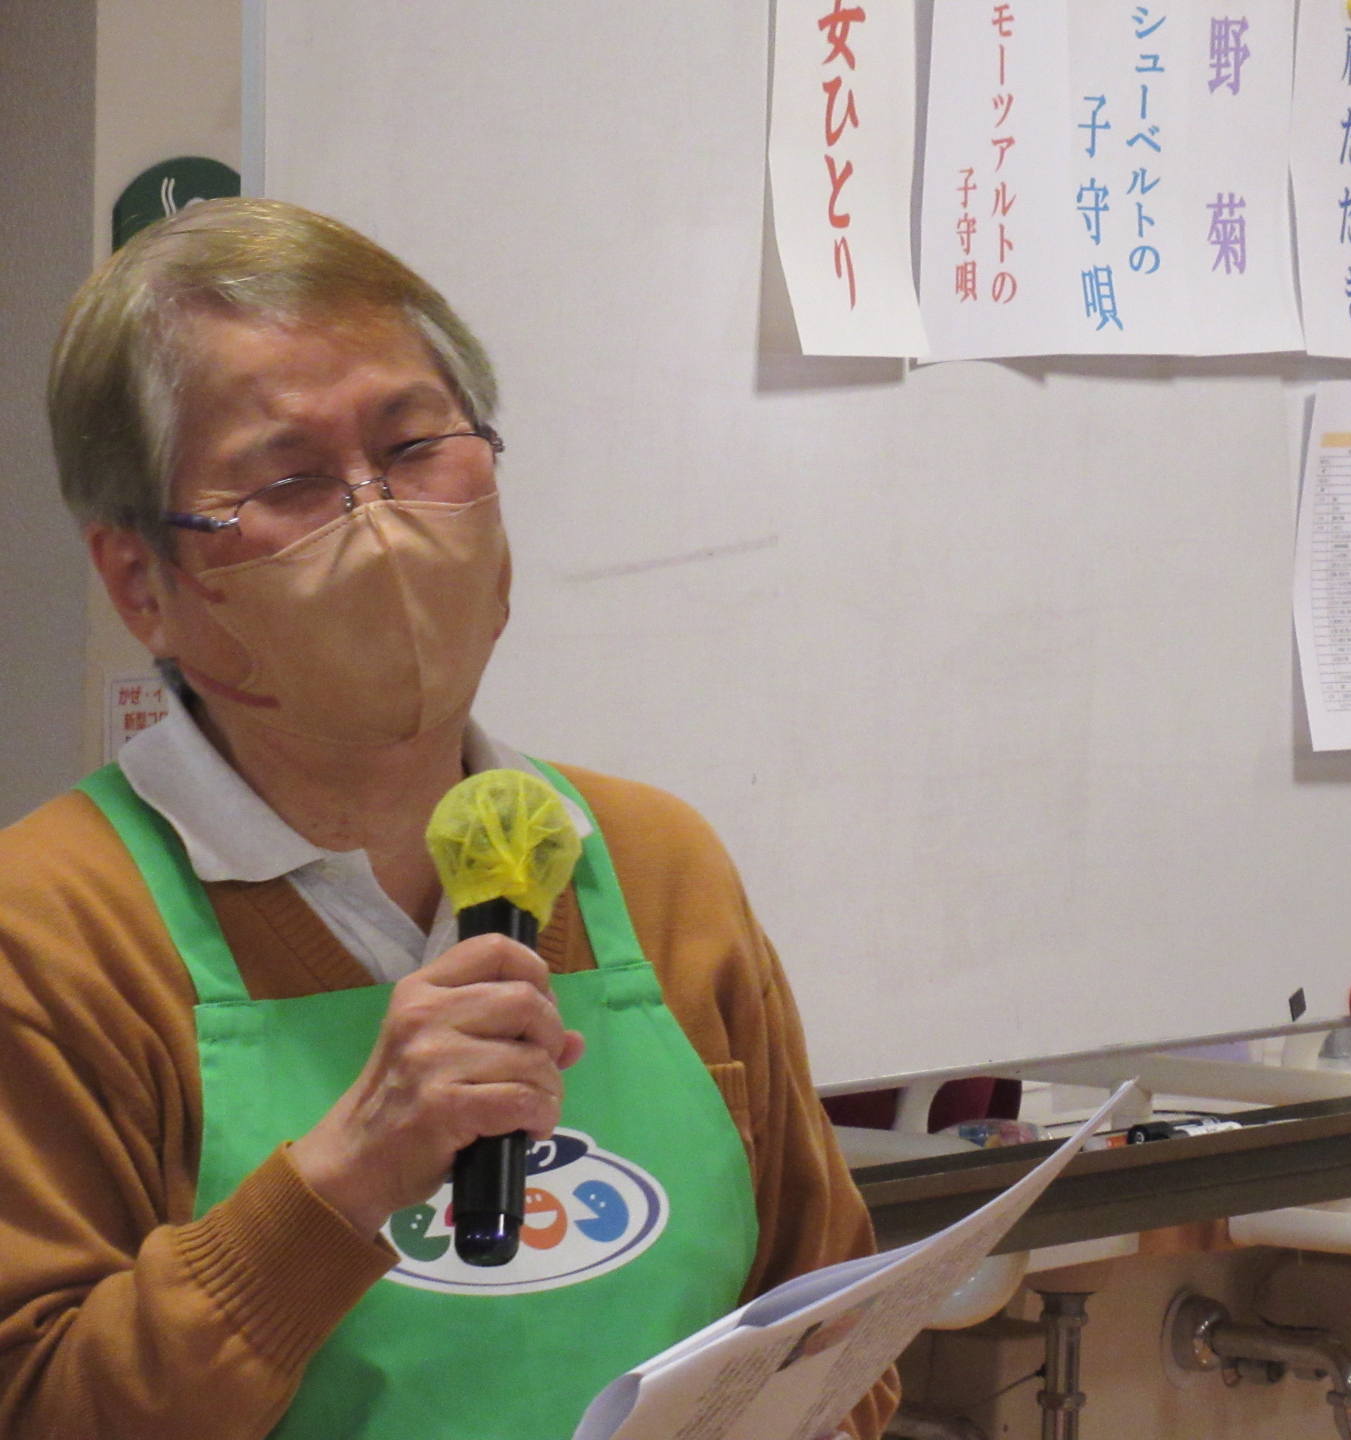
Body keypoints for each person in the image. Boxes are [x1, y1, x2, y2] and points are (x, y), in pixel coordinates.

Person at [0, 198, 896, 1439]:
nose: (381, 524)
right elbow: (41, 1407)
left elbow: (835, 1334)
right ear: (143, 580)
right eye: (291, 479)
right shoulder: (49, 931)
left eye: (416, 447)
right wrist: (340, 1181)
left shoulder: (655, 865)